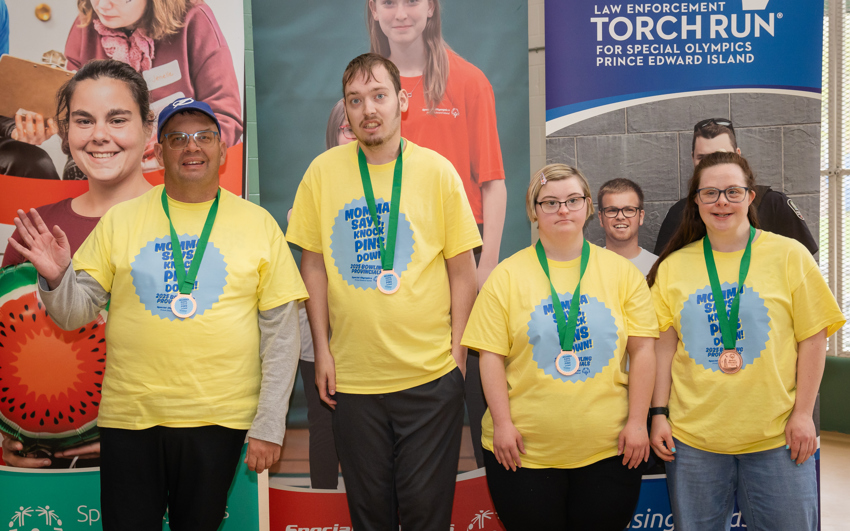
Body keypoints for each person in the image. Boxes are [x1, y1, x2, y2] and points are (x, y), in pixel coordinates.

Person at [9, 97, 307, 530]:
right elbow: (74, 315)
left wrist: (269, 425)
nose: (192, 147)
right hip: (132, 418)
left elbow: (282, 334)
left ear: (222, 151)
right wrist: (57, 279)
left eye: (204, 136)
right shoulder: (120, 221)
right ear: (158, 151)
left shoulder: (258, 224)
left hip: (219, 418)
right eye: (177, 138)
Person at [287, 53, 479, 530]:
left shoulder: (437, 172)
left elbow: (462, 271)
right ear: (346, 110)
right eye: (355, 100)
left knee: (424, 514)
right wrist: (323, 351)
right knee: (369, 516)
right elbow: (311, 266)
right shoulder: (322, 172)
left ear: (402, 101)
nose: (368, 109)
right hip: (353, 381)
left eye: (378, 96)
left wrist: (458, 355)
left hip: (430, 378)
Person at [647, 151, 844, 531]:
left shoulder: (790, 255)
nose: (722, 201)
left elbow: (814, 339)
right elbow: (662, 348)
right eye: (710, 193)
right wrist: (658, 414)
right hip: (694, 442)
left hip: (777, 438)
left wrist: (804, 414)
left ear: (750, 198)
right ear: (696, 202)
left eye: (733, 192)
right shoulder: (673, 267)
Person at [462, 164, 658, 529]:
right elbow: (489, 356)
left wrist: (637, 422)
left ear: (587, 207)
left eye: (572, 200)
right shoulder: (505, 276)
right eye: (549, 202)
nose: (563, 209)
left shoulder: (623, 274)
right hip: (523, 454)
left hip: (609, 449)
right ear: (533, 212)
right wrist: (502, 423)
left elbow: (644, 352)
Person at [367, 0, 504, 466]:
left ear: (431, 8)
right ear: (374, 10)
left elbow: (493, 181)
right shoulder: (366, 89)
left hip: (460, 253)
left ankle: (488, 489)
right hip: (390, 256)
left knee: (471, 376)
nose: (400, 12)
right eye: (389, 2)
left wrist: (487, 266)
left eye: (412, 1)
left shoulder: (468, 80)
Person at [1, 59, 156, 468]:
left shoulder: (184, 223)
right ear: (66, 134)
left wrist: (136, 434)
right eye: (83, 121)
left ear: (149, 129)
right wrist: (6, 434)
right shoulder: (35, 228)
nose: (99, 135)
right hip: (48, 475)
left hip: (159, 454)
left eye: (118, 119)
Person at [64, 0, 242, 174]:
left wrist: (180, 146)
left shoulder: (194, 17)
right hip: (112, 173)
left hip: (181, 169)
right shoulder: (87, 21)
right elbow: (70, 117)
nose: (102, 6)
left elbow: (225, 116)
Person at [291, 99, 353, 490]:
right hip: (317, 333)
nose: (353, 133)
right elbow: (313, 266)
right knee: (324, 422)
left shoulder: (397, 181)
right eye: (345, 128)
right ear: (334, 134)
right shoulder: (316, 182)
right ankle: (324, 506)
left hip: (369, 335)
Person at [654, 118, 818, 255]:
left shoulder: (775, 205)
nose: (713, 164)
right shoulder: (678, 214)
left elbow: (803, 270)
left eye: (723, 155)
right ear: (693, 159)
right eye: (703, 158)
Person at [597, 178, 657, 276]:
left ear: (641, 217)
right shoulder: (586, 268)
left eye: (629, 210)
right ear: (601, 218)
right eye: (612, 210)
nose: (620, 217)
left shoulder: (658, 268)